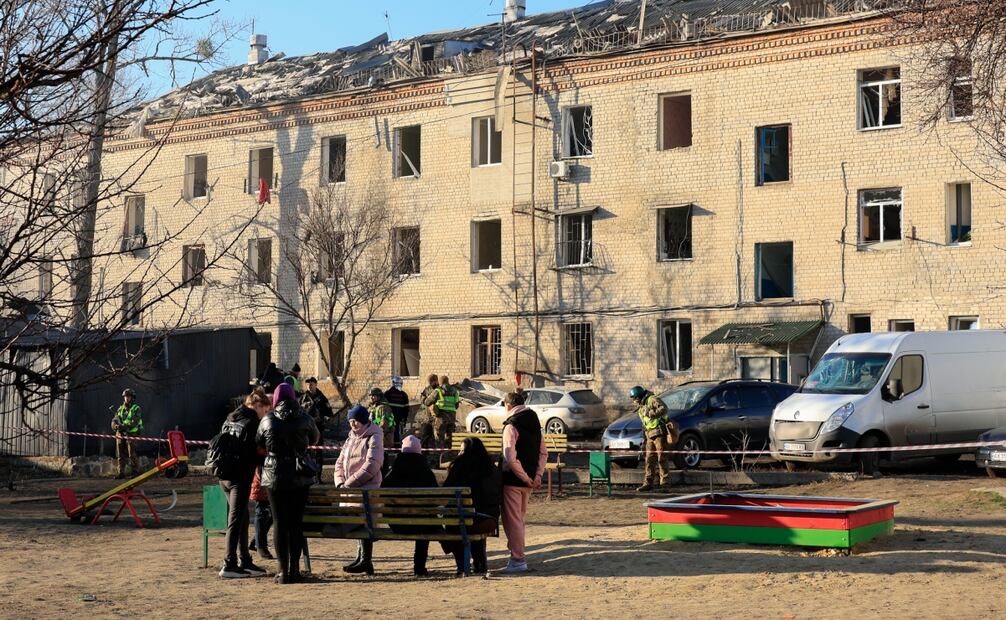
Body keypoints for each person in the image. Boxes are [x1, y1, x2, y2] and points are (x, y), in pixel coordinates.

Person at [256, 383, 320, 584]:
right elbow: (315, 438)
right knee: (296, 523)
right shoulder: (304, 418)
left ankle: (282, 571)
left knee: (279, 522)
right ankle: (295, 570)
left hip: (274, 475)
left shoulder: (268, 419)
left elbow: (259, 442)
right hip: (300, 475)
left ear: (275, 399)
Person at [218, 388, 271, 579]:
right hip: (239, 478)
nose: (265, 416)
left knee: (242, 518)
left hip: (223, 476)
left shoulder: (230, 418)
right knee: (235, 520)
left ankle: (245, 561)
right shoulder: (251, 423)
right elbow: (254, 452)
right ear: (257, 406)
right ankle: (229, 564)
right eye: (265, 411)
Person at [334, 404, 384, 576]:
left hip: (367, 490)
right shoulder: (350, 438)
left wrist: (349, 483)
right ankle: (361, 558)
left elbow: (372, 465)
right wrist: (340, 483)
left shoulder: (374, 436)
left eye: (355, 421)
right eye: (350, 421)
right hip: (351, 489)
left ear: (363, 420)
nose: (353, 424)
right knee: (357, 522)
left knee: (365, 522)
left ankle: (365, 559)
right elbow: (339, 463)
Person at [500, 391, 546, 574]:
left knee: (513, 522)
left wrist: (525, 477)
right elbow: (543, 452)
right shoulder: (535, 423)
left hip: (513, 481)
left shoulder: (510, 426)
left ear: (509, 406)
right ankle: (517, 556)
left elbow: (510, 458)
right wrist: (538, 476)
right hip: (529, 483)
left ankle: (517, 559)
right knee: (520, 519)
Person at [442, 436, 501, 576]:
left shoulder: (458, 468)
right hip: (487, 520)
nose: (459, 454)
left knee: (457, 526)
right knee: (472, 524)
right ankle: (480, 564)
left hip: (458, 523)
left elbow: (446, 495)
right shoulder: (491, 469)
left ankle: (462, 566)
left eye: (462, 451)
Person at [382, 435, 438, 576]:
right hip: (422, 525)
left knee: (425, 520)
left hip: (397, 524)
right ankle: (419, 567)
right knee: (427, 521)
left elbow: (382, 494)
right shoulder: (426, 472)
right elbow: (437, 500)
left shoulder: (393, 472)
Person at [630, 385, 671, 492]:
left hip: (659, 433)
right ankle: (648, 483)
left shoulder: (652, 399)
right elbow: (645, 423)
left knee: (662, 458)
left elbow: (664, 408)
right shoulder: (641, 405)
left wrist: (649, 413)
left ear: (639, 396)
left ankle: (664, 484)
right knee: (649, 459)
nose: (634, 401)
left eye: (635, 398)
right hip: (649, 435)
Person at [111, 388, 143, 479]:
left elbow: (135, 421)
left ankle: (135, 472)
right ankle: (121, 472)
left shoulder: (136, 408)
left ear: (132, 398)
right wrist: (116, 426)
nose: (126, 398)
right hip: (120, 434)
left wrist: (125, 426)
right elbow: (114, 420)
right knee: (120, 455)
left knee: (131, 453)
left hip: (131, 434)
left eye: (128, 396)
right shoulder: (120, 408)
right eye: (125, 396)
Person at [423, 375, 460, 450]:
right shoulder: (455, 391)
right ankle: (449, 454)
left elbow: (427, 402)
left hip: (441, 418)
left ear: (440, 382)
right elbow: (456, 405)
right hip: (452, 418)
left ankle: (439, 456)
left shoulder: (438, 390)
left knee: (439, 438)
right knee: (449, 437)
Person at [248, 465, 273, 561]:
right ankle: (260, 545)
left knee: (272, 515)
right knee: (261, 513)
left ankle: (257, 541)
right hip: (263, 481)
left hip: (269, 479)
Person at [415, 374, 439, 448]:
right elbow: (422, 398)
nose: (430, 383)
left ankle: (435, 453)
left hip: (437, 416)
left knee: (437, 436)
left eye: (432, 382)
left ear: (436, 381)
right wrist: (426, 400)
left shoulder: (439, 389)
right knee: (425, 434)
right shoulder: (427, 389)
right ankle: (424, 451)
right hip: (428, 416)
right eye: (429, 382)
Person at [384, 376, 410, 445]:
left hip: (388, 419)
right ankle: (396, 447)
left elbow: (383, 407)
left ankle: (388, 447)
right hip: (398, 418)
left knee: (387, 433)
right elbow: (406, 409)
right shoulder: (404, 395)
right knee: (397, 433)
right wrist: (405, 419)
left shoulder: (387, 394)